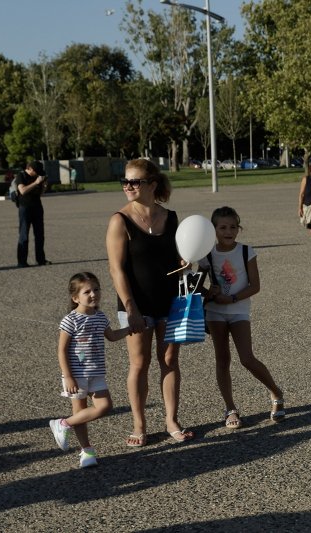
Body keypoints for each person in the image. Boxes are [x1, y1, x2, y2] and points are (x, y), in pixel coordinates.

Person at [106, 158, 192, 447]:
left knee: (169, 360)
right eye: (125, 181)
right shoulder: (120, 220)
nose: (128, 186)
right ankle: (139, 423)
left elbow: (179, 257)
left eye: (135, 181)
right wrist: (130, 308)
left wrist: (185, 262)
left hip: (170, 301)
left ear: (152, 184)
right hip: (136, 304)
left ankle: (171, 420)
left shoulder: (171, 218)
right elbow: (116, 269)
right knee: (139, 364)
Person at [197, 207, 285, 429]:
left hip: (238, 310)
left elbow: (255, 285)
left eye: (233, 227)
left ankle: (275, 392)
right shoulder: (207, 254)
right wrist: (210, 293)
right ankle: (230, 408)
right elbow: (196, 285)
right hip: (215, 312)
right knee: (222, 359)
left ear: (239, 228)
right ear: (213, 230)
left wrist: (233, 298)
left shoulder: (246, 251)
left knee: (246, 358)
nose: (228, 231)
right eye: (223, 227)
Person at [49, 272, 131, 468]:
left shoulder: (100, 316)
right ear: (75, 297)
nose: (93, 294)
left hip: (96, 373)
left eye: (96, 289)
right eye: (87, 291)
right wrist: (67, 376)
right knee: (81, 412)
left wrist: (130, 329)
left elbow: (111, 336)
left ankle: (63, 423)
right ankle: (86, 451)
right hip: (76, 375)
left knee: (104, 406)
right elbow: (61, 350)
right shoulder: (71, 320)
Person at [15, 160, 50, 267]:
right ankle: (22, 262)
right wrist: (36, 183)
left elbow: (39, 194)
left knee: (40, 235)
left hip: (37, 207)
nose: (38, 174)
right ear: (30, 169)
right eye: (36, 171)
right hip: (25, 208)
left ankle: (41, 260)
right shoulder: (21, 176)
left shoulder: (37, 177)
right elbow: (22, 191)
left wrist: (43, 186)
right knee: (24, 235)